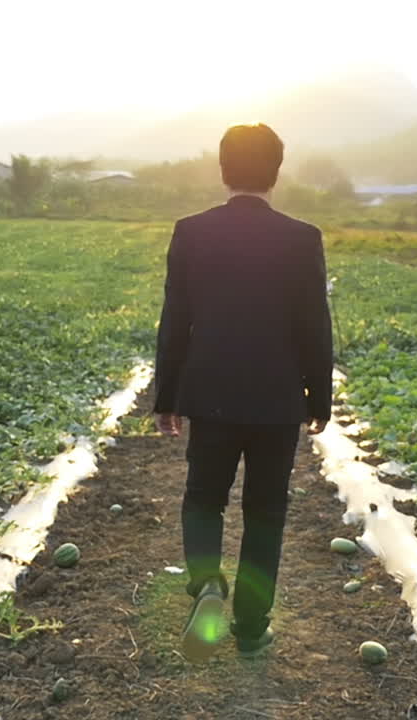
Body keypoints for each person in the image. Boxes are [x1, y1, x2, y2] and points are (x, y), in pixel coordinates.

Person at [153, 123, 334, 663]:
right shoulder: (303, 237)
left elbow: (175, 319)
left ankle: (206, 585)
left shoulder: (191, 231)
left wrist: (166, 395)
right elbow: (314, 325)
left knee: (204, 497)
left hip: (209, 390)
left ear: (222, 168)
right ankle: (252, 628)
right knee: (266, 512)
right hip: (278, 399)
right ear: (276, 172)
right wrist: (318, 399)